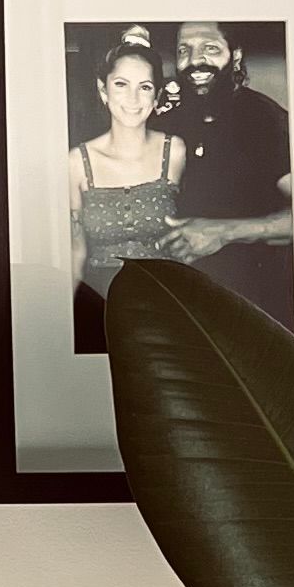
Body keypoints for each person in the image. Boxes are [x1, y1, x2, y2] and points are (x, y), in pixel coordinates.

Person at [160, 20, 294, 323]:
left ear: (235, 55)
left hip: (256, 310)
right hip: (185, 307)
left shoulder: (265, 121)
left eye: (209, 48)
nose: (195, 60)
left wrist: (224, 232)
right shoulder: (168, 122)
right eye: (184, 50)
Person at [69, 33, 185, 352]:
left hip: (168, 302)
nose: (133, 98)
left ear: (157, 96)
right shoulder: (77, 162)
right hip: (101, 304)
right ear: (103, 90)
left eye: (144, 87)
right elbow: (75, 250)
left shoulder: (175, 151)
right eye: (121, 84)